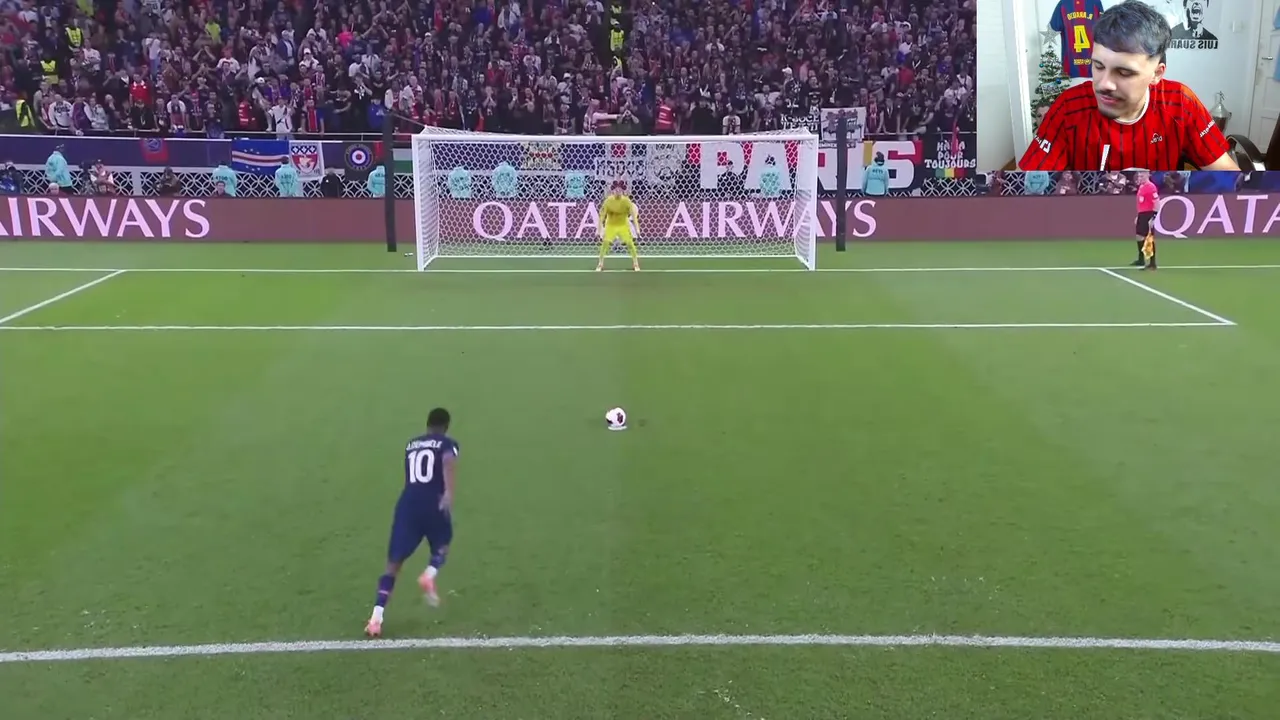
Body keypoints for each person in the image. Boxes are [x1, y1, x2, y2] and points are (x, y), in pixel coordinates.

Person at [1019, 0, 1237, 172]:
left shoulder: (1180, 103)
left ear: (1156, 74)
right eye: (1098, 66)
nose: (1104, 84)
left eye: (1124, 72)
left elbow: (1230, 178)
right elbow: (1025, 187)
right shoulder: (1069, 108)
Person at [366, 408, 459, 638]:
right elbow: (448, 461)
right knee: (443, 544)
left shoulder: (411, 444)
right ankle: (429, 573)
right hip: (433, 501)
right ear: (446, 426)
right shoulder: (447, 443)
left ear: (427, 425)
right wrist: (449, 492)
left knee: (393, 565)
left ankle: (376, 618)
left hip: (408, 503)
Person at [597, 180, 640, 272]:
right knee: (605, 243)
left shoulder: (626, 201)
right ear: (613, 191)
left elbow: (633, 216)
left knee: (630, 243)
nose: (618, 192)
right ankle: (600, 264)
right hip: (611, 226)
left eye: (620, 190)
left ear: (622, 191)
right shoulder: (608, 201)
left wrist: (637, 229)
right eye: (616, 190)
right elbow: (602, 216)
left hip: (623, 225)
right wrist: (598, 230)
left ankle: (636, 263)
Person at [1133, 170, 1160, 270]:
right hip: (1142, 214)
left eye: (1142, 175)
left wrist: (1153, 217)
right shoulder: (1141, 186)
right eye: (1139, 175)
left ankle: (1153, 263)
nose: (1140, 177)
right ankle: (1141, 259)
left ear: (1148, 175)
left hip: (1148, 214)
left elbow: (1156, 202)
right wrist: (1138, 215)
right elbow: (1141, 203)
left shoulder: (1151, 187)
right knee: (1139, 236)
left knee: (1149, 238)